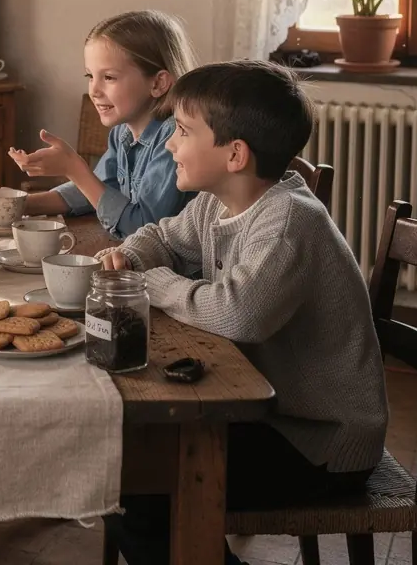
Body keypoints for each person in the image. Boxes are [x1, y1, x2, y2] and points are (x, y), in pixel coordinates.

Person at [100, 61, 388, 565]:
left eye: (184, 132)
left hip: (320, 442)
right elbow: (162, 236)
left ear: (234, 154)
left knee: (132, 492)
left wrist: (149, 281)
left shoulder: (288, 222)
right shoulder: (219, 202)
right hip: (273, 415)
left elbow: (237, 314)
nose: (170, 145)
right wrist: (134, 257)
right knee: (123, 464)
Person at [7, 10, 198, 239]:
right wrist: (17, 204)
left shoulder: (174, 138)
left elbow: (142, 230)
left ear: (158, 83)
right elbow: (97, 190)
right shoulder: (122, 132)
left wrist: (74, 168)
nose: (94, 91)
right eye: (90, 76)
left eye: (109, 77)